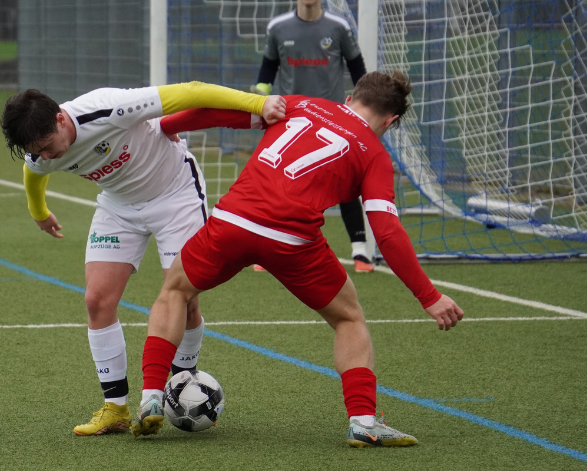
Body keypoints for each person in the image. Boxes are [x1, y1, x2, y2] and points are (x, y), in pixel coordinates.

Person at [129, 71, 465, 447]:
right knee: (349, 318)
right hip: (292, 240)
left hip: (233, 221)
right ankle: (363, 422)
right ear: (391, 121)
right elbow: (386, 232)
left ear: (350, 97)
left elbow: (220, 112)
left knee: (175, 291)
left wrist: (169, 126)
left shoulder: (300, 104)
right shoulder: (374, 154)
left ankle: (151, 398)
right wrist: (428, 296)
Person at [1, 82, 286, 436]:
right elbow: (32, 174)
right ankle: (115, 409)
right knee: (96, 300)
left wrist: (258, 104)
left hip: (175, 196)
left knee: (186, 300)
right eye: (36, 151)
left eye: (46, 146)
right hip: (119, 207)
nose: (45, 156)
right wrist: (39, 212)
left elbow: (192, 92)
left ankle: (182, 386)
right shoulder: (39, 154)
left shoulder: (107, 108)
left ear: (60, 120)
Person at [252, 0, 374, 272]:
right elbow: (266, 74)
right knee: (279, 183)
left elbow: (359, 73)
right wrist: (260, 101)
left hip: (333, 121)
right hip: (291, 120)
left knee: (345, 183)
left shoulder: (339, 28)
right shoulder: (278, 28)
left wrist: (363, 111)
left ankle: (361, 252)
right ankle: (268, 252)